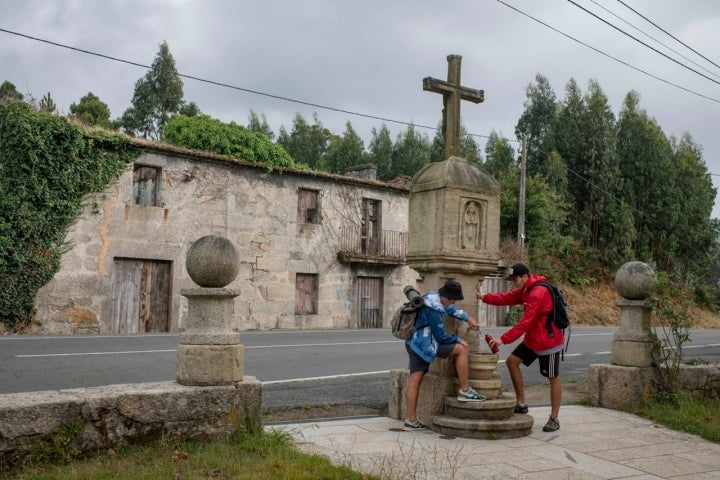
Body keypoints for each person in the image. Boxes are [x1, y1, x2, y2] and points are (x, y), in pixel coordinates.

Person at [476, 263, 564, 432]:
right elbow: (507, 298)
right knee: (512, 361)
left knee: (553, 378)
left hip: (548, 341)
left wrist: (503, 339)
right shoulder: (526, 290)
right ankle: (521, 403)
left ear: (525, 276)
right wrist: (484, 297)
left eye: (516, 279)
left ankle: (554, 418)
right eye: (513, 279)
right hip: (533, 340)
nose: (514, 282)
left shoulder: (538, 292)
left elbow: (525, 322)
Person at [403, 280, 485, 431]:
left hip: (413, 343)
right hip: (426, 345)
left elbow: (452, 309)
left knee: (415, 380)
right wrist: (459, 339)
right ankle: (465, 390)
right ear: (445, 296)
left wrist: (467, 318)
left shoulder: (433, 297)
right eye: (452, 299)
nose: (453, 302)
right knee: (461, 349)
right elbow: (440, 337)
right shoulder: (434, 309)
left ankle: (411, 420)